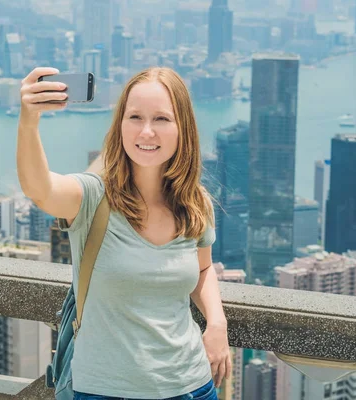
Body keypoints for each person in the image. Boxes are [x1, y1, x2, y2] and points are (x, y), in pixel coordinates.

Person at [17, 66, 231, 400]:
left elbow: (203, 269)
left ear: (182, 129)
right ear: (120, 126)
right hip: (104, 391)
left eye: (161, 119)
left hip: (192, 386)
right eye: (134, 117)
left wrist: (217, 325)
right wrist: (29, 120)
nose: (146, 132)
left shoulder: (195, 203)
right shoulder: (91, 197)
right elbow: (39, 188)